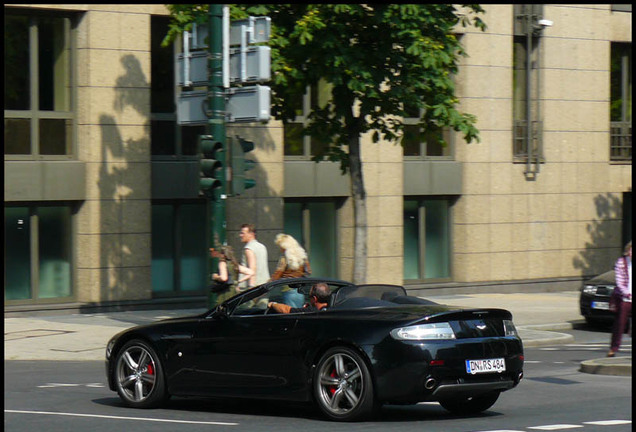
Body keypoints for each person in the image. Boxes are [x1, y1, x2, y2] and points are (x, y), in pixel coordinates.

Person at [608, 240, 632, 357]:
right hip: (624, 299)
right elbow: (620, 282)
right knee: (620, 324)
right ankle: (613, 348)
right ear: (628, 251)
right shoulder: (621, 262)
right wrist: (627, 294)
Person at [238, 223, 270, 291]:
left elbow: (252, 268)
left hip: (252, 288)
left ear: (251, 234)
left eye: (242, 233)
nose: (240, 235)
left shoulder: (248, 248)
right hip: (265, 285)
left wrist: (251, 287)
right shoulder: (262, 246)